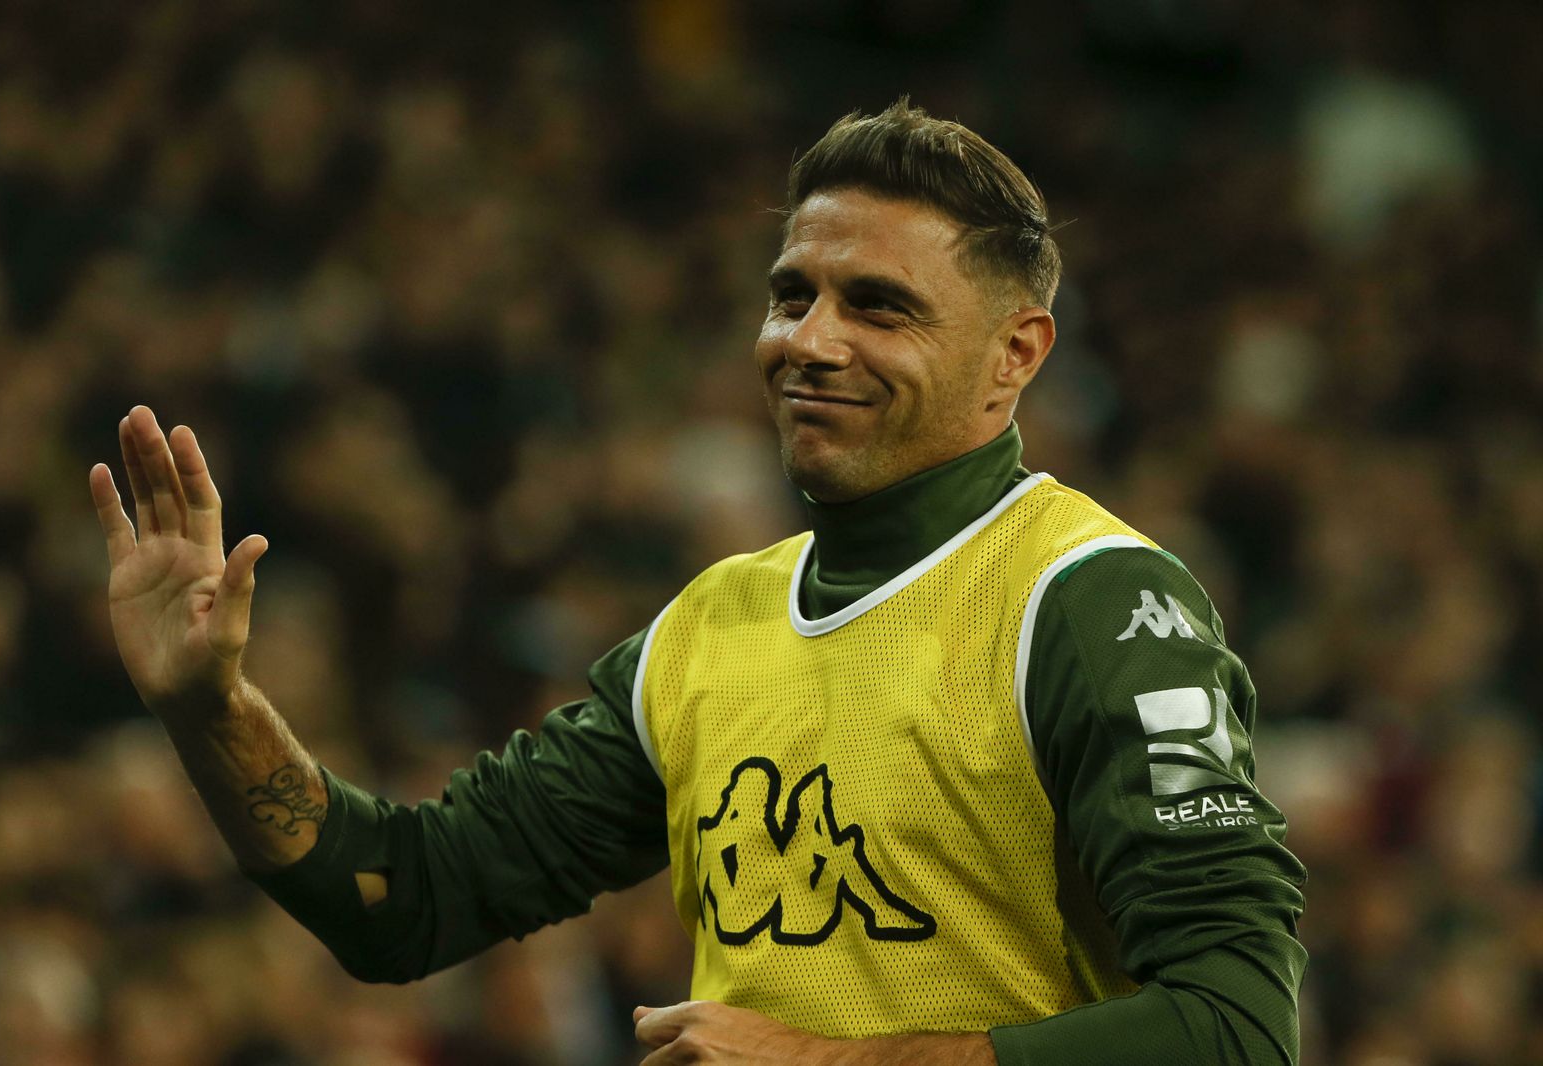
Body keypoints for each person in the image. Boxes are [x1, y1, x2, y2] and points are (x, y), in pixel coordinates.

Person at [89, 101, 1307, 1065]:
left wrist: (828, 1064)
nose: (808, 340)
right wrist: (212, 709)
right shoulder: (705, 631)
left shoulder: (1091, 602)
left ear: (1015, 356)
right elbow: (402, 900)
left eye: (878, 306)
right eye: (793, 294)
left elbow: (1236, 1025)